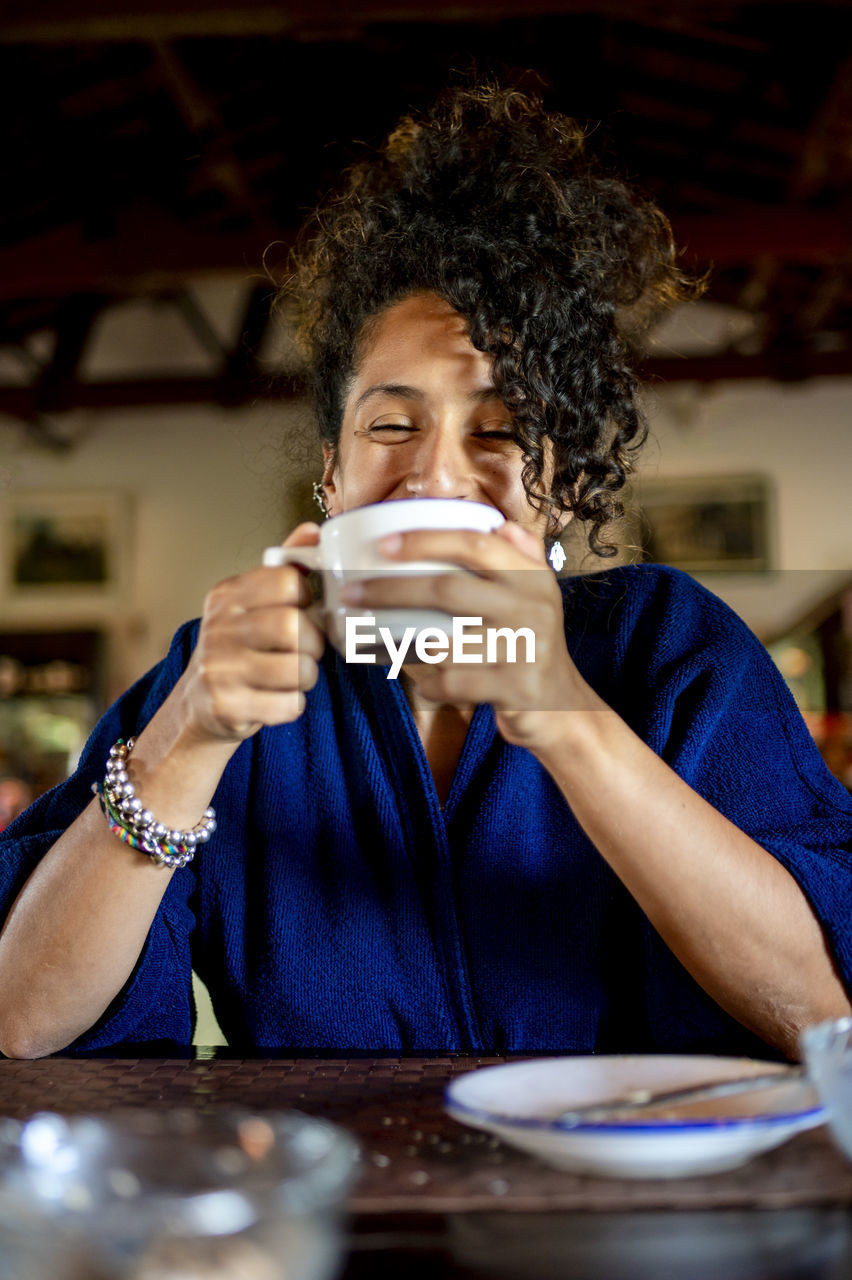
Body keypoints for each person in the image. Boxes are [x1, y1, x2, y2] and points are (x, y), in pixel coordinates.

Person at [0, 84, 850, 1062]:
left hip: (644, 1199)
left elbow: (825, 1009)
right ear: (332, 473)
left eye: (501, 431)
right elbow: (23, 1017)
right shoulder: (221, 674)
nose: (438, 472)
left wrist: (565, 718)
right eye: (391, 424)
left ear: (564, 489)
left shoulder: (670, 646)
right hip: (340, 1201)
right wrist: (188, 736)